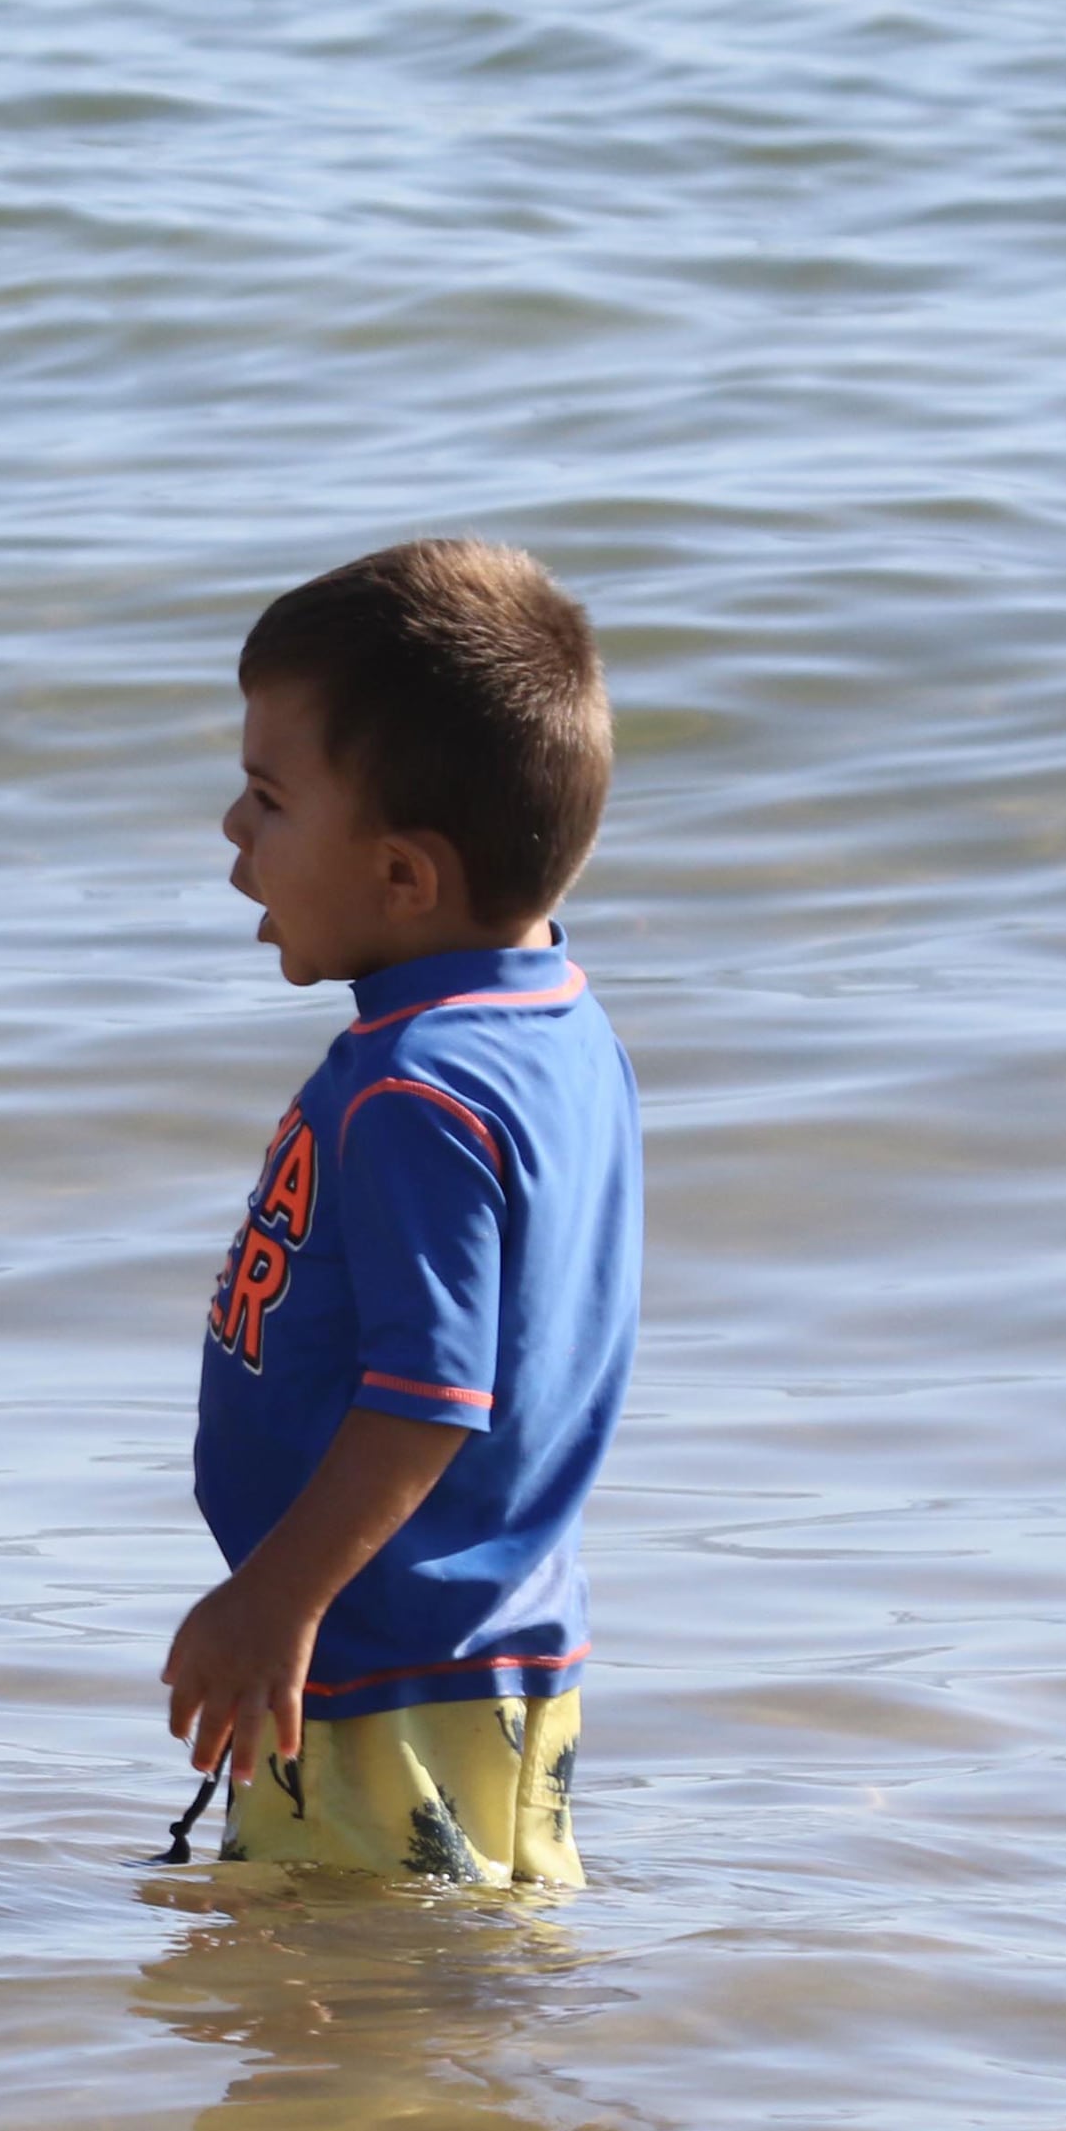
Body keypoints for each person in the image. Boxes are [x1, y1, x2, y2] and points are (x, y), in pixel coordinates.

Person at [164, 542, 638, 1886]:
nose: (233, 832)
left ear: (405, 880)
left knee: (349, 2020)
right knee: (453, 1992)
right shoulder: (562, 1029)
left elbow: (431, 1395)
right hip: (500, 1641)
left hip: (381, 1664)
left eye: (268, 798)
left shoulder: (413, 1092)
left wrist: (276, 1601)